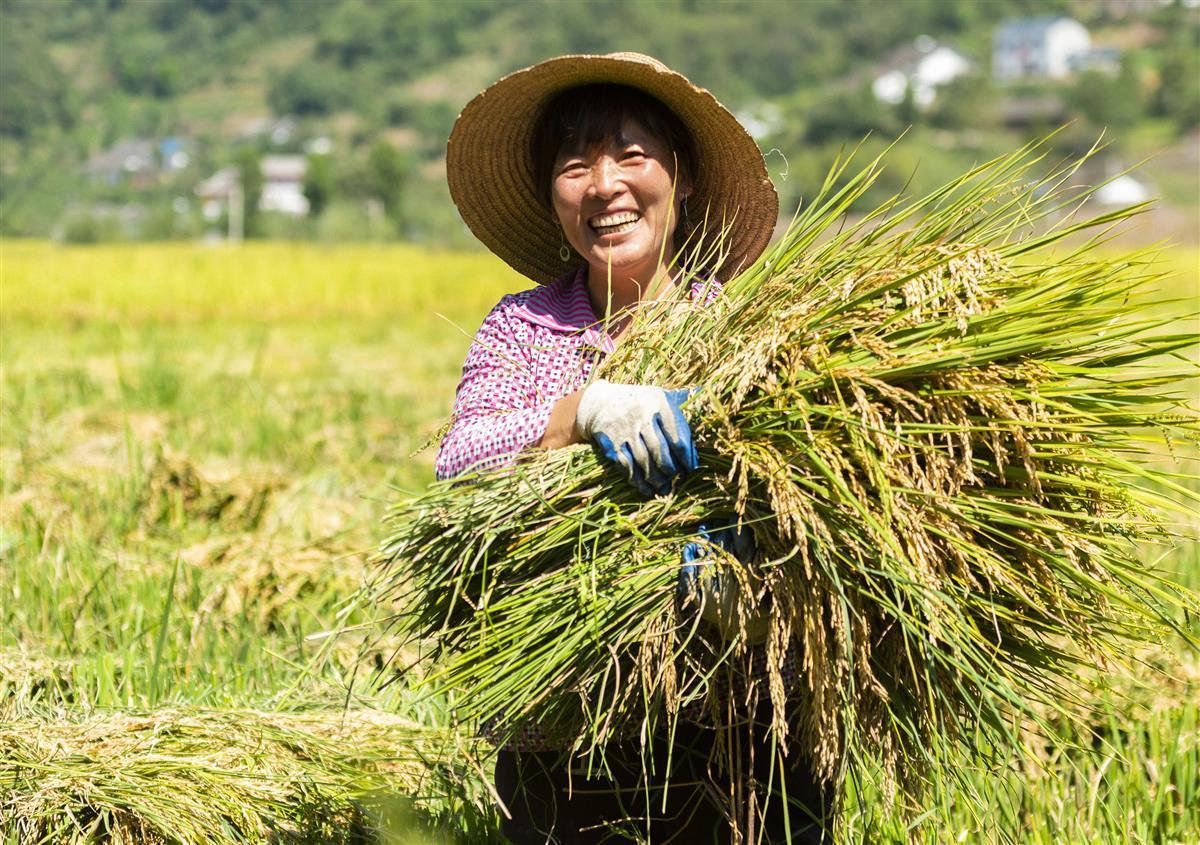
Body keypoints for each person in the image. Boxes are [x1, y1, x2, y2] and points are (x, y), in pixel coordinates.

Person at [438, 53, 831, 844]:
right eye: (575, 164)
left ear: (679, 179)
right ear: (553, 197)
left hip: (739, 721)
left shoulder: (746, 335)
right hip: (565, 724)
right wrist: (582, 410)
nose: (604, 185)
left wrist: (749, 585)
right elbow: (458, 461)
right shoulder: (521, 328)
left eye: (631, 155)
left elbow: (822, 511)